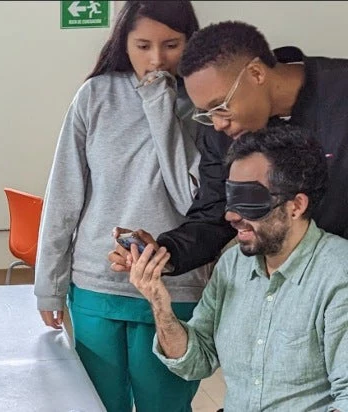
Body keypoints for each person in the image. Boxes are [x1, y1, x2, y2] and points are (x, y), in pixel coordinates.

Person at [34, 2, 207, 411]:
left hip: (175, 286)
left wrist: (160, 102)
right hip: (96, 284)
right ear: (122, 43)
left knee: (164, 406)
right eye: (143, 45)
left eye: (171, 45)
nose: (156, 59)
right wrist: (49, 286)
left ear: (191, 43)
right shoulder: (95, 95)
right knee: (95, 404)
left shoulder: (202, 101)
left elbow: (191, 198)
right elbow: (63, 196)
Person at [128, 125, 348, 411]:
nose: (231, 215)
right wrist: (159, 302)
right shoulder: (232, 266)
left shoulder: (338, 274)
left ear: (296, 206)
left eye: (249, 200)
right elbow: (195, 362)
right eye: (231, 197)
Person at [108, 21, 348, 277]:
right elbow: (214, 215)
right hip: (281, 284)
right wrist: (164, 253)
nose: (218, 124)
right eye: (207, 114)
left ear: (256, 73)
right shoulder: (223, 132)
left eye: (221, 106)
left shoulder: (340, 91)